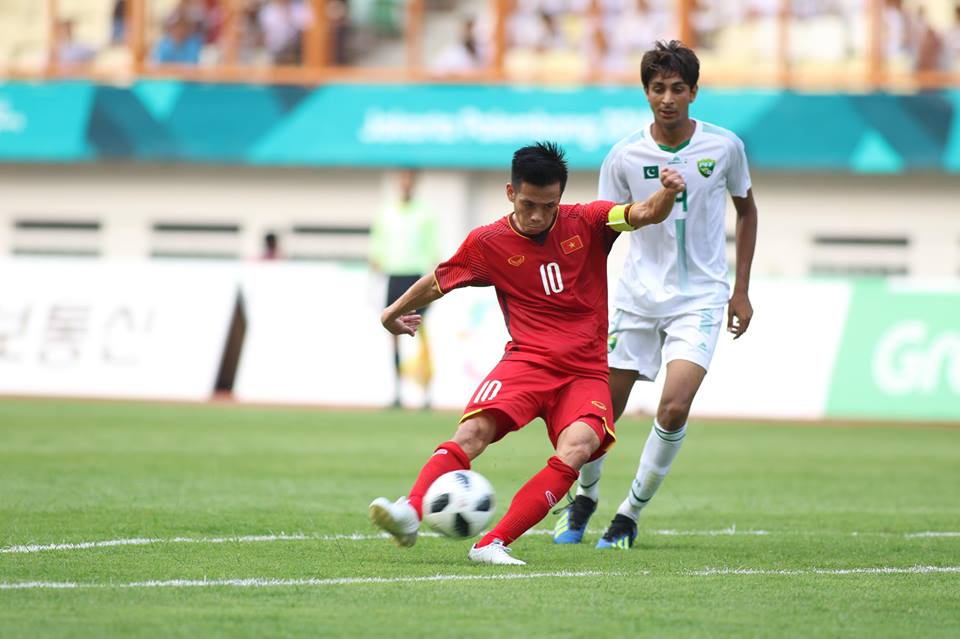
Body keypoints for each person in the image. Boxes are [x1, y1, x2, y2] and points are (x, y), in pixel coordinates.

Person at [369, 142, 686, 565]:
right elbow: (438, 280)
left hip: (584, 371)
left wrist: (666, 193)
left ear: (562, 197)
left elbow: (643, 213)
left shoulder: (589, 220)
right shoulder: (487, 243)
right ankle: (410, 511)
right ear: (509, 193)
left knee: (579, 446)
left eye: (548, 206)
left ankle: (491, 544)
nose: (538, 216)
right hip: (527, 362)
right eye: (528, 204)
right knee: (472, 433)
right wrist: (393, 312)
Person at [553, 40, 758, 549]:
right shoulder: (624, 155)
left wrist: (742, 290)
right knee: (601, 409)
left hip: (701, 298)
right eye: (658, 88)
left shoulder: (724, 147)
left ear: (694, 92)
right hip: (636, 297)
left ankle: (628, 515)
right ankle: (584, 498)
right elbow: (602, 227)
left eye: (677, 89)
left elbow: (747, 210)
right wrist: (584, 298)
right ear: (646, 92)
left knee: (673, 408)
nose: (667, 98)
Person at [369, 169, 440, 408]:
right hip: (394, 275)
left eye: (410, 180)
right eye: (403, 180)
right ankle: (397, 391)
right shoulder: (386, 213)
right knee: (394, 334)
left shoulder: (425, 214)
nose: (406, 184)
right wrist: (375, 266)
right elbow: (377, 246)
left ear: (415, 183)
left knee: (422, 333)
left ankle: (426, 393)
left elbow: (433, 248)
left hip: (416, 276)